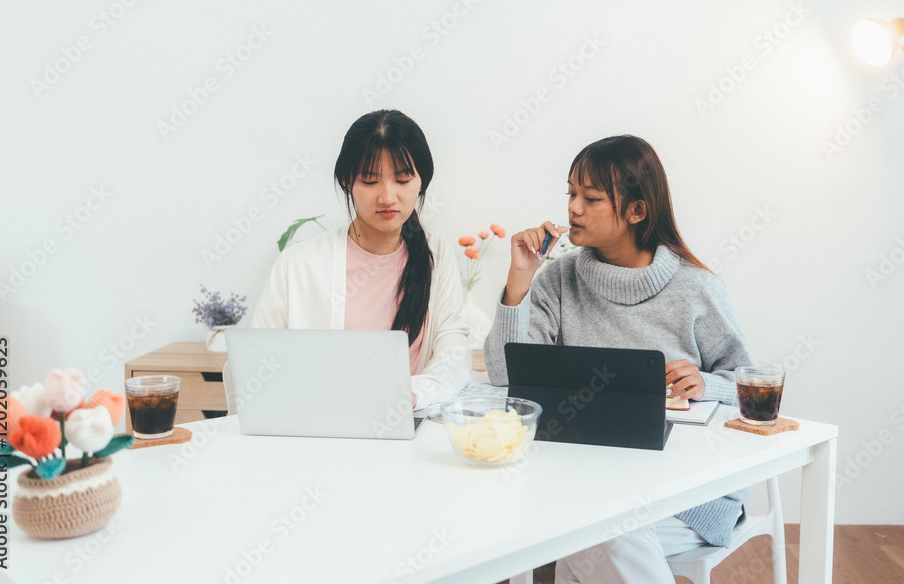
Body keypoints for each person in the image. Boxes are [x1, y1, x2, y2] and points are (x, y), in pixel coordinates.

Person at [483, 134, 753, 583]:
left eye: (591, 198)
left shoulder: (695, 287)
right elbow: (503, 374)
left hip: (686, 492)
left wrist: (708, 383)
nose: (573, 208)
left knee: (591, 529)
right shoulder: (558, 280)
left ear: (636, 210)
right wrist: (520, 278)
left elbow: (748, 382)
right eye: (571, 193)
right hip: (585, 478)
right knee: (588, 526)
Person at [251, 109, 471, 409]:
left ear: (422, 181)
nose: (387, 196)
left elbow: (453, 353)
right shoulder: (298, 264)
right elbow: (258, 364)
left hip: (404, 424)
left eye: (403, 178)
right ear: (347, 182)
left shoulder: (437, 254)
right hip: (317, 427)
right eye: (369, 181)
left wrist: (413, 395)